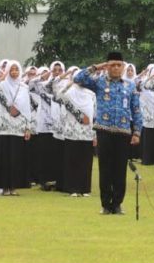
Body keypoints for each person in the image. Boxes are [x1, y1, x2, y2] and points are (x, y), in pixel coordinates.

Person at [74, 52, 144, 214]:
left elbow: (136, 110)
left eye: (119, 65)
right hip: (104, 130)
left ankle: (117, 204)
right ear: (107, 66)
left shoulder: (130, 85)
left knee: (120, 170)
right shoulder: (99, 82)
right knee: (105, 169)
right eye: (112, 65)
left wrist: (137, 132)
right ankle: (106, 204)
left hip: (123, 131)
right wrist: (97, 67)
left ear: (123, 67)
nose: (116, 68)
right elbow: (78, 79)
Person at [0, 62, 34, 196]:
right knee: (4, 158)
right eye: (11, 70)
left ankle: (13, 187)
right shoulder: (2, 85)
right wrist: (1, 77)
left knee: (16, 158)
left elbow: (27, 108)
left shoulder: (24, 87)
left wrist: (28, 128)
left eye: (16, 69)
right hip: (4, 127)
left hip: (19, 127)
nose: (14, 72)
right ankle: (4, 187)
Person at [53, 68, 96, 197]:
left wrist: (95, 134)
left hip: (87, 133)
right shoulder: (69, 92)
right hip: (72, 132)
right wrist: (68, 84)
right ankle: (73, 188)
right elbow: (57, 96)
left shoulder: (91, 94)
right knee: (72, 161)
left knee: (86, 161)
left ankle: (84, 189)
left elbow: (95, 115)